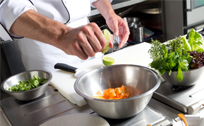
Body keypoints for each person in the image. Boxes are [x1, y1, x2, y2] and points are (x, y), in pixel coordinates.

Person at [0, 0, 130, 72]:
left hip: (88, 37)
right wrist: (62, 34)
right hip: (48, 48)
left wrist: (109, 13)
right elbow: (7, 7)